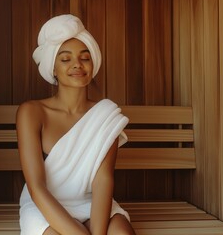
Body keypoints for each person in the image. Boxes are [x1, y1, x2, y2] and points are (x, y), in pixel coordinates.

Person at [16, 14, 136, 235]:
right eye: (65, 59)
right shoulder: (31, 112)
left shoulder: (104, 114)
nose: (77, 65)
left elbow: (103, 180)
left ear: (94, 63)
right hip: (44, 203)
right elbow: (36, 186)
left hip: (91, 202)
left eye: (85, 57)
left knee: (122, 233)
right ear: (53, 67)